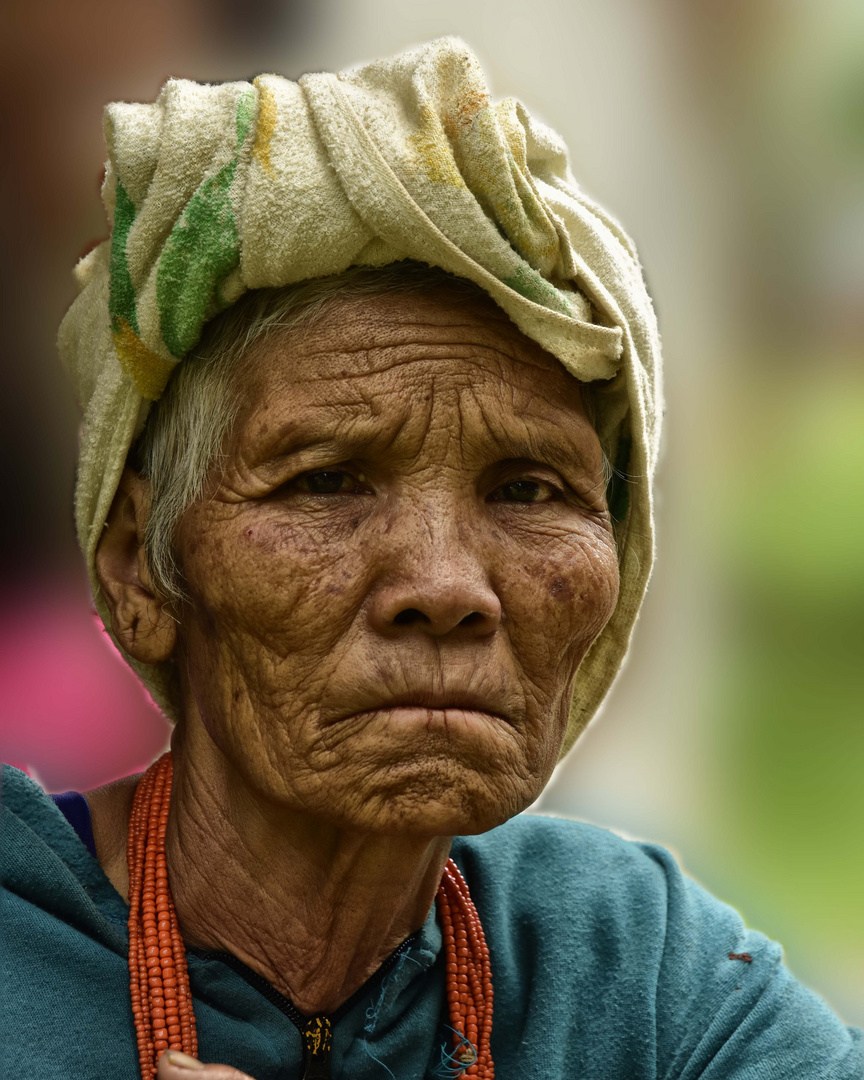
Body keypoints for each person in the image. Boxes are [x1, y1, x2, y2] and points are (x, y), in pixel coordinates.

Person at [1, 37, 860, 1080]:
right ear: (141, 566)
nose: (447, 587)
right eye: (326, 481)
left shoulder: (641, 970)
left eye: (529, 490)